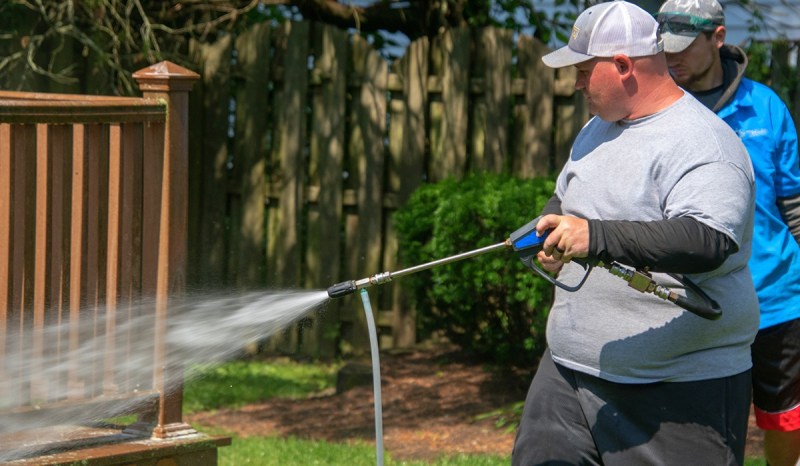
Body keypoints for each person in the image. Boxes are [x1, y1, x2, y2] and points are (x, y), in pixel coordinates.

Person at [510, 1, 760, 464]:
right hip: (568, 371)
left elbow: (707, 241)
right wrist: (554, 233)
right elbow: (568, 199)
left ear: (624, 66)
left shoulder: (705, 143)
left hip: (678, 388)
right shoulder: (596, 128)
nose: (578, 82)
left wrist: (594, 236)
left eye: (585, 70)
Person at [657, 1, 800, 464]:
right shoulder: (657, 113)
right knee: (704, 425)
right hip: (694, 302)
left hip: (776, 298)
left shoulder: (765, 107)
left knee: (785, 417)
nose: (671, 58)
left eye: (683, 47)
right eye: (664, 47)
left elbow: (793, 204)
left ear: (717, 37)